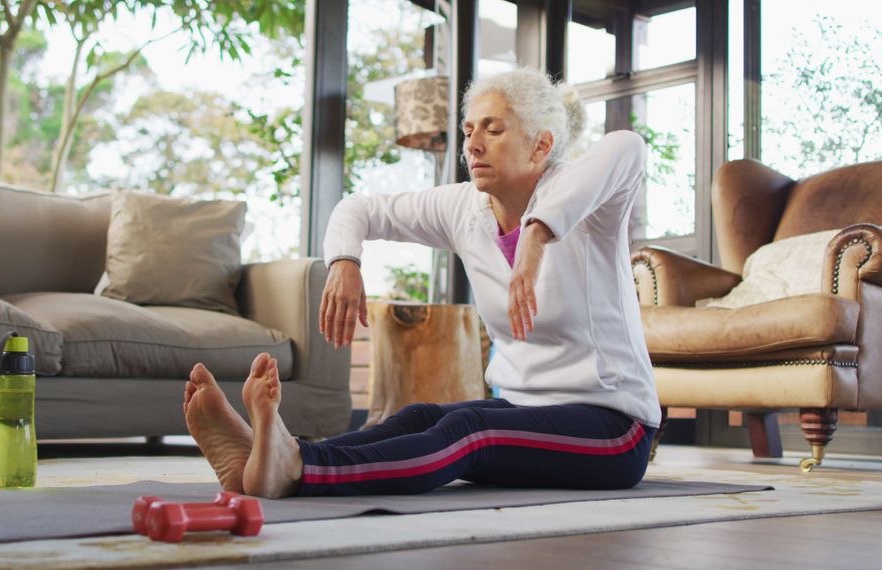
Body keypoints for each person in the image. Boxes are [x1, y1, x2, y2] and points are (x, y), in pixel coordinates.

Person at [183, 67, 660, 499]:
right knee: (422, 417)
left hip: (614, 430)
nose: (472, 144)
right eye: (470, 130)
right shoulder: (464, 208)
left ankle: (300, 467)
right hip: (522, 410)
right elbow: (360, 208)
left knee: (469, 430)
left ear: (540, 145)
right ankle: (268, 456)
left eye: (494, 130)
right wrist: (344, 262)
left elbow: (628, 146)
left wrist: (537, 233)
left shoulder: (589, 206)